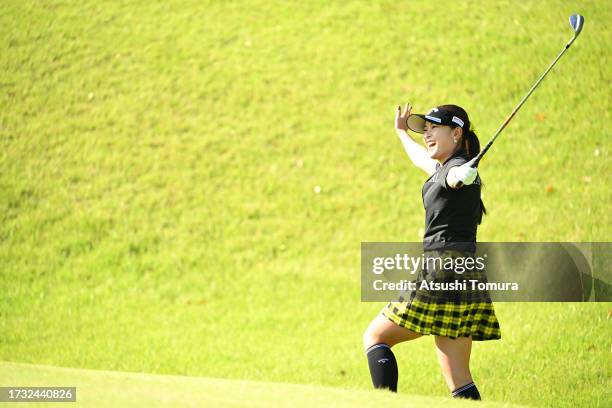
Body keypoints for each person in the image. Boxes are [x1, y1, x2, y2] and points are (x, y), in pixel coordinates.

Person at [363, 103, 501, 400]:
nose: (427, 134)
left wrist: (462, 175)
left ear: (456, 132)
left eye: (433, 128)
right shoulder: (444, 168)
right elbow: (421, 161)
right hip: (465, 273)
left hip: (441, 270)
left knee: (376, 337)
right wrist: (401, 133)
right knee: (459, 380)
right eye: (424, 129)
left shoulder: (459, 172)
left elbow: (456, 179)